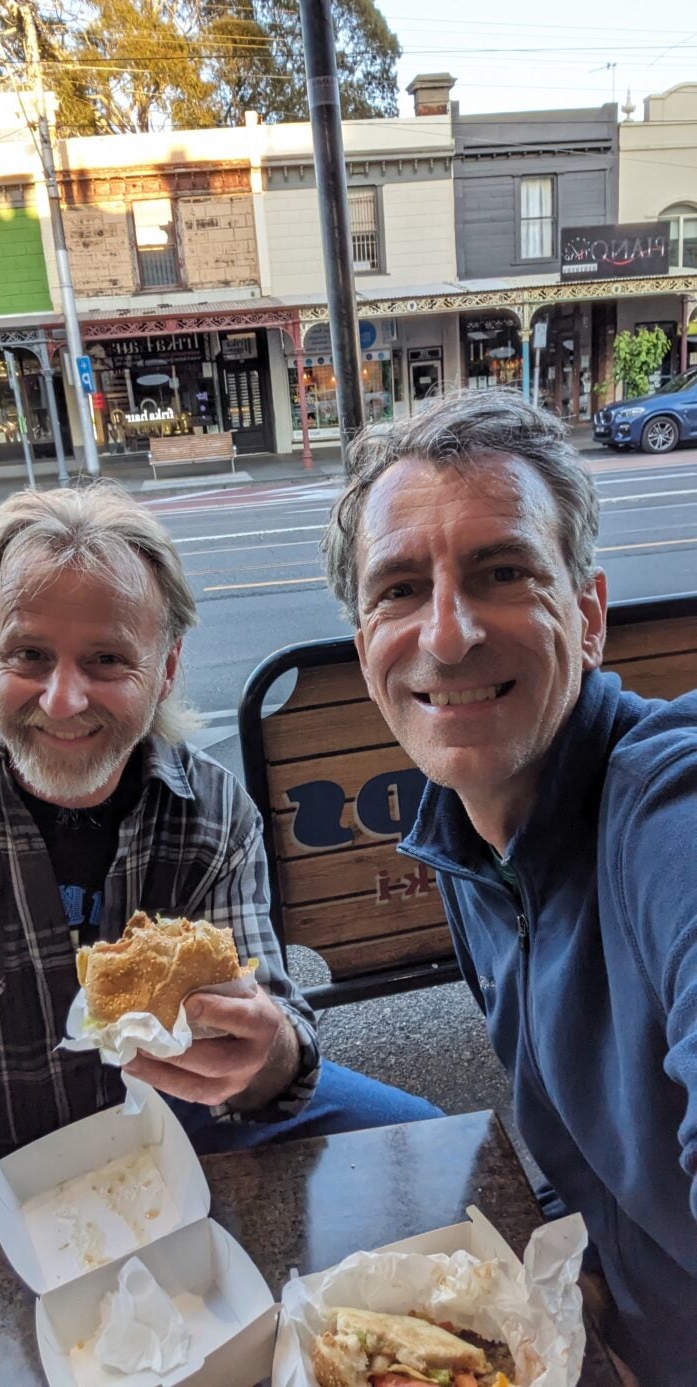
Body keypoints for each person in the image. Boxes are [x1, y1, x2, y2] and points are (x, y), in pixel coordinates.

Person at [0, 482, 439, 1204]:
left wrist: (264, 1051)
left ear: (165, 670)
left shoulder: (215, 810)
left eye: (107, 660)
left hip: (180, 1119)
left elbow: (279, 1038)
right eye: (29, 655)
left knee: (433, 1149)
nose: (62, 699)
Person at [322, 390, 696, 1386]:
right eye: (399, 588)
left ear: (589, 615)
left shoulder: (669, 808)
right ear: (365, 648)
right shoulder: (467, 830)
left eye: (502, 572)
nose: (447, 637)